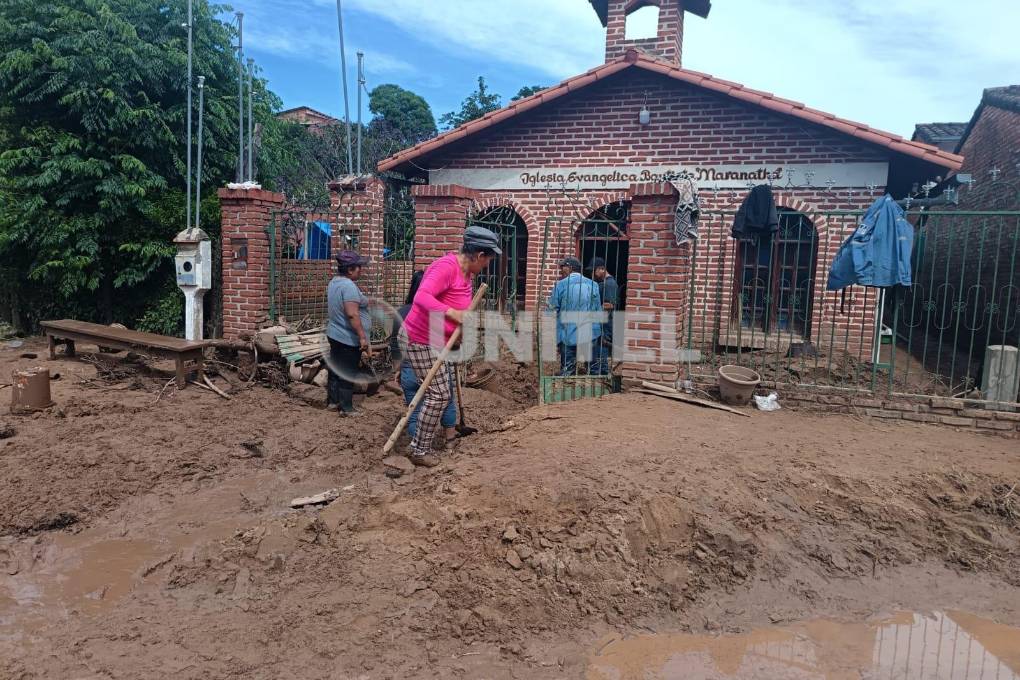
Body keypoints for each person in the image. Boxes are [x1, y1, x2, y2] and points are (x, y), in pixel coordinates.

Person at [402, 226, 501, 467]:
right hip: (419, 338)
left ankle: (427, 440)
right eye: (488, 259)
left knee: (442, 392)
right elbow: (421, 297)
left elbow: (462, 311)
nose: (487, 265)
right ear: (479, 255)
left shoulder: (467, 276)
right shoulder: (446, 267)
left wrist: (457, 333)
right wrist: (451, 313)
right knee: (440, 394)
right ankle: (418, 448)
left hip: (439, 339)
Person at [390, 270, 458, 446]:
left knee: (415, 410)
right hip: (435, 367)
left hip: (409, 369)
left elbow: (396, 345)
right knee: (447, 401)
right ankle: (450, 440)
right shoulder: (436, 313)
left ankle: (417, 447)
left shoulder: (401, 312)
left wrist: (399, 369)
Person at [325, 250, 372, 416]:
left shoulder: (334, 282)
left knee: (336, 368)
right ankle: (346, 408)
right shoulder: (349, 287)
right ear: (350, 269)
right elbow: (352, 314)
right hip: (347, 338)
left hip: (334, 334)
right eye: (358, 267)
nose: (361, 270)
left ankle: (333, 401)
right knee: (347, 372)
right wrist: (362, 337)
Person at [548, 257, 601, 376]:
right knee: (592, 367)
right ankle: (596, 389)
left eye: (563, 267)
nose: (561, 270)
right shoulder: (593, 285)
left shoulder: (560, 285)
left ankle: (565, 387)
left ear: (570, 268)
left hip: (567, 332)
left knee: (568, 368)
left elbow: (552, 309)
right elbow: (598, 310)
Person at [589, 257, 618, 376]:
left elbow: (609, 304)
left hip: (605, 323)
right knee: (598, 346)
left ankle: (604, 373)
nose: (592, 273)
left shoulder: (610, 284)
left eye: (594, 270)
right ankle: (598, 372)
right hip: (601, 322)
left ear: (602, 269)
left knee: (602, 346)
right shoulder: (603, 283)